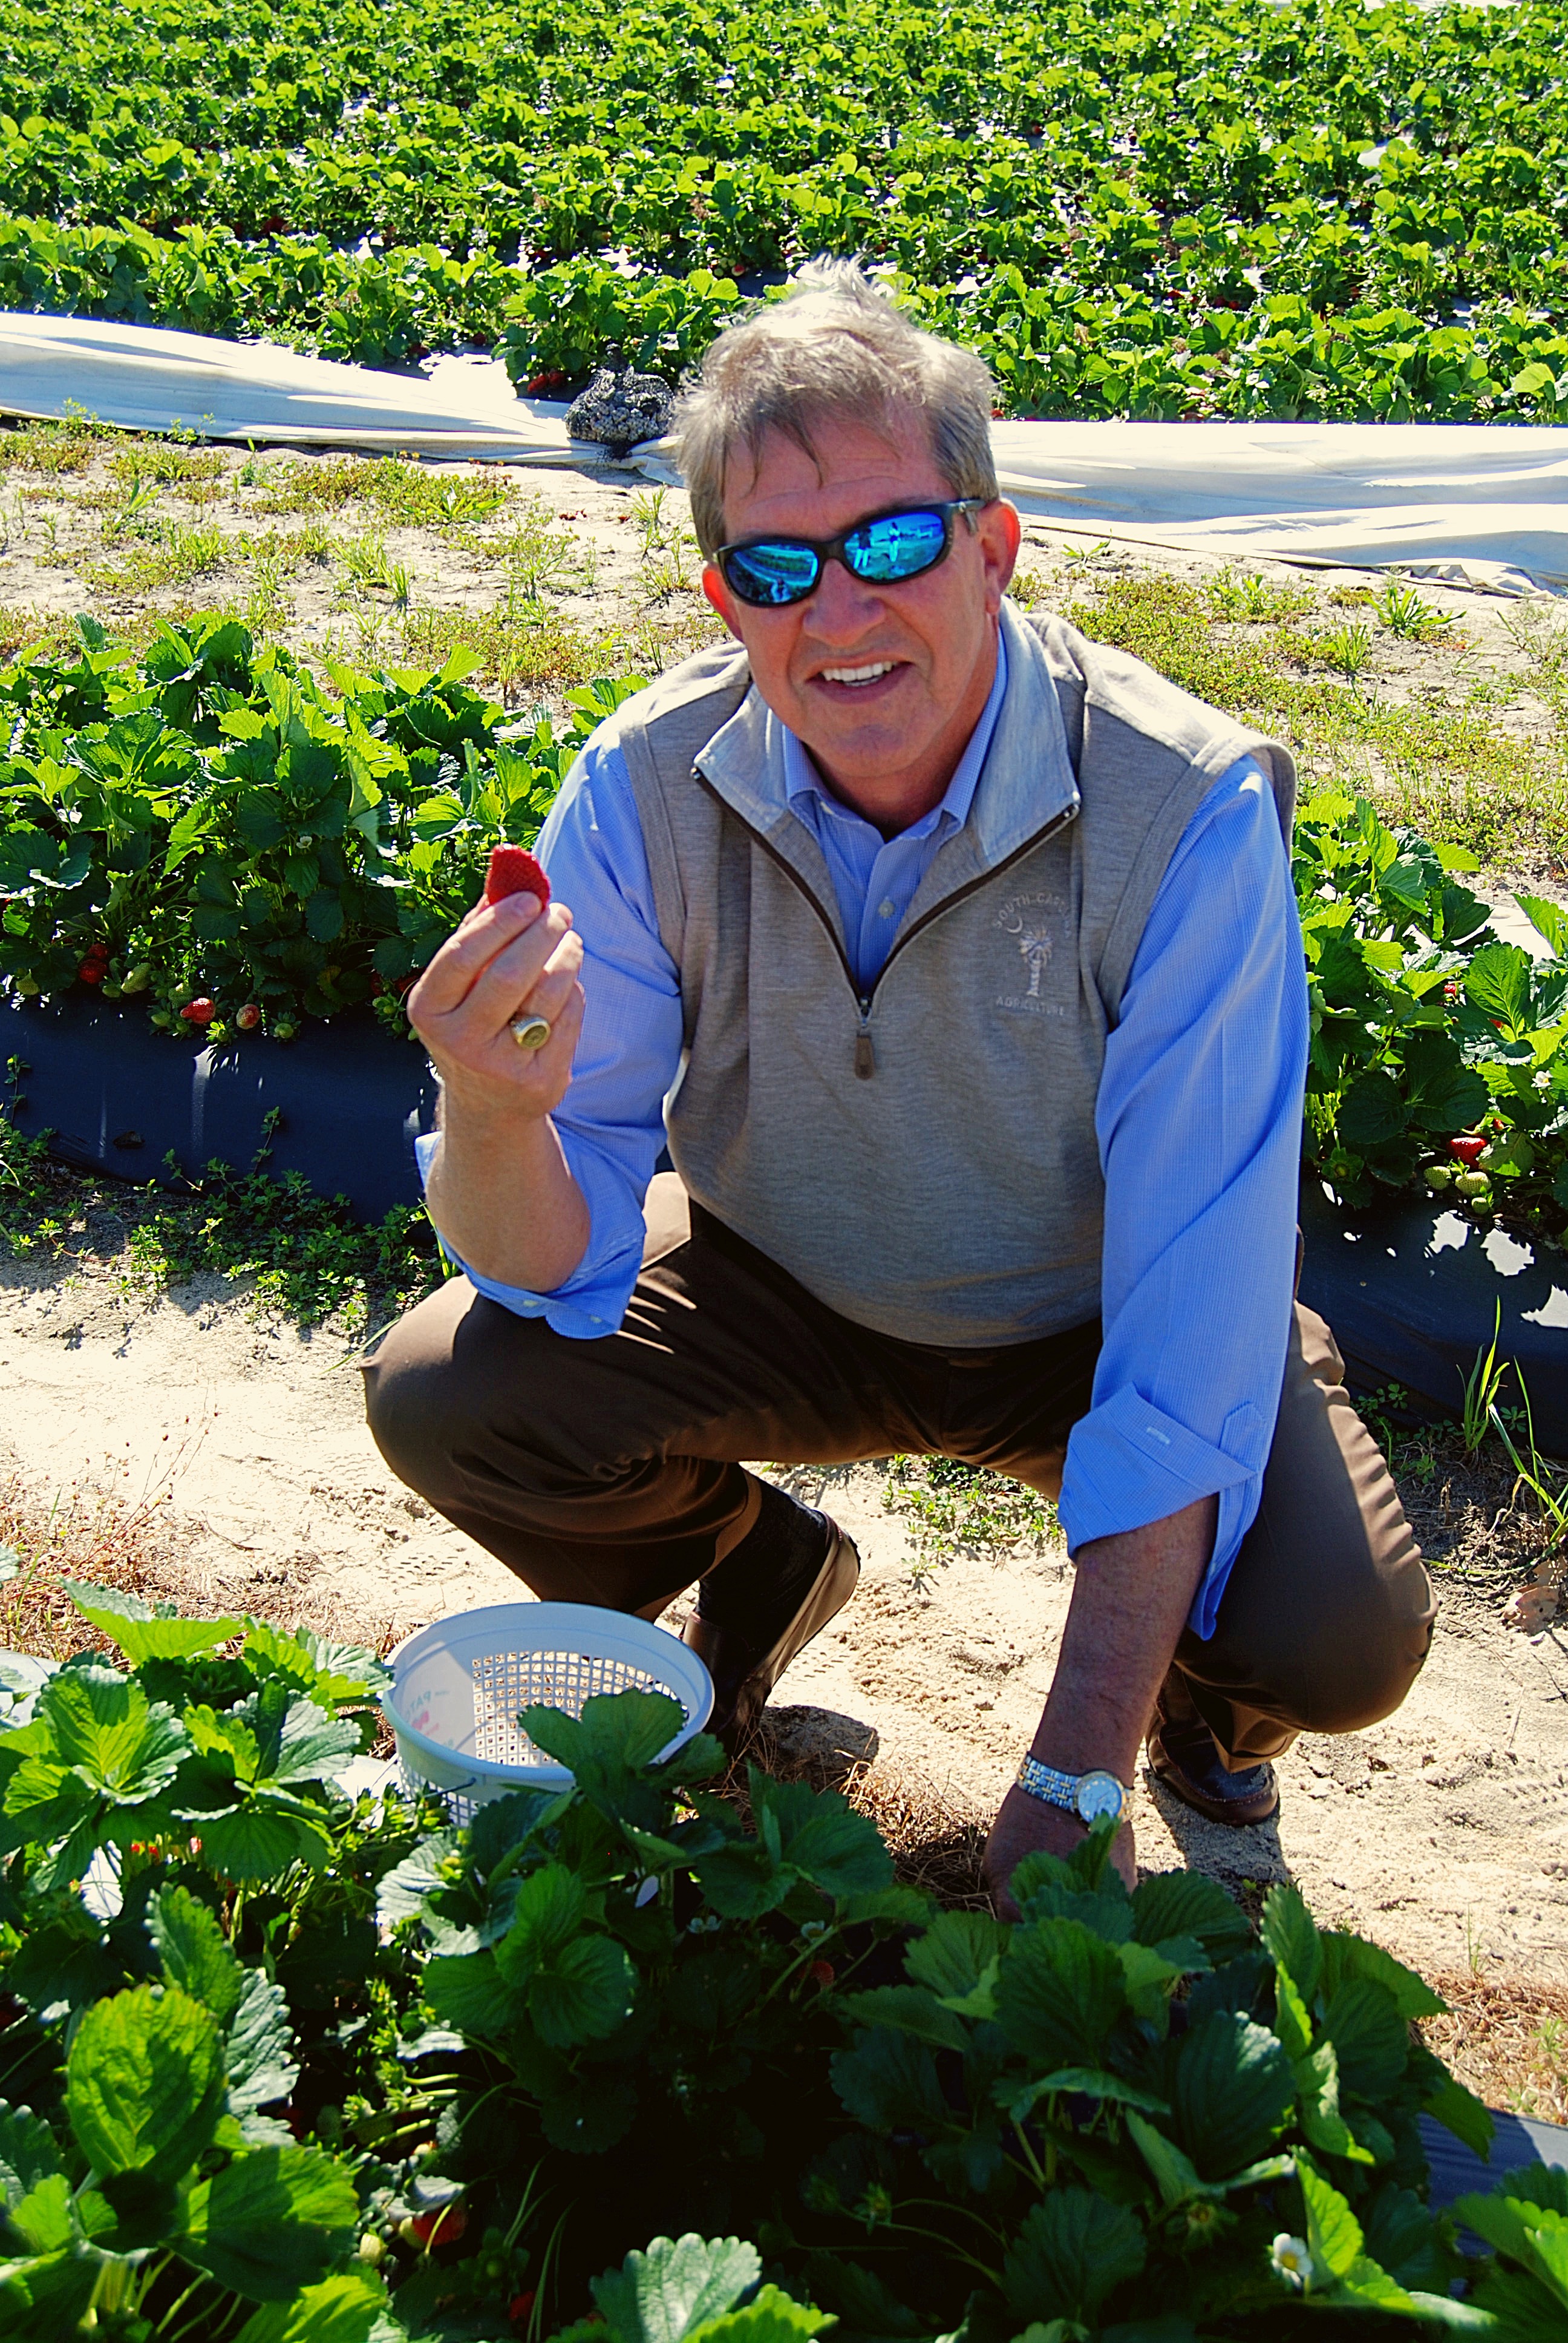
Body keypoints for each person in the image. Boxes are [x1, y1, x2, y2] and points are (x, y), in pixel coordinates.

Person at [363, 261, 1434, 1904]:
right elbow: (549, 1259)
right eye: (777, 565)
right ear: (724, 600)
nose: (838, 610)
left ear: (994, 549)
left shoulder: (1181, 809)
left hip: (1085, 1317)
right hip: (777, 1275)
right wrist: (496, 1113)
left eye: (892, 540)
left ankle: (1206, 1721)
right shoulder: (645, 787)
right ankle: (754, 1563)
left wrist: (1070, 1767)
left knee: (1332, 1627)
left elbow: (1188, 1325)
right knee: (455, 1393)